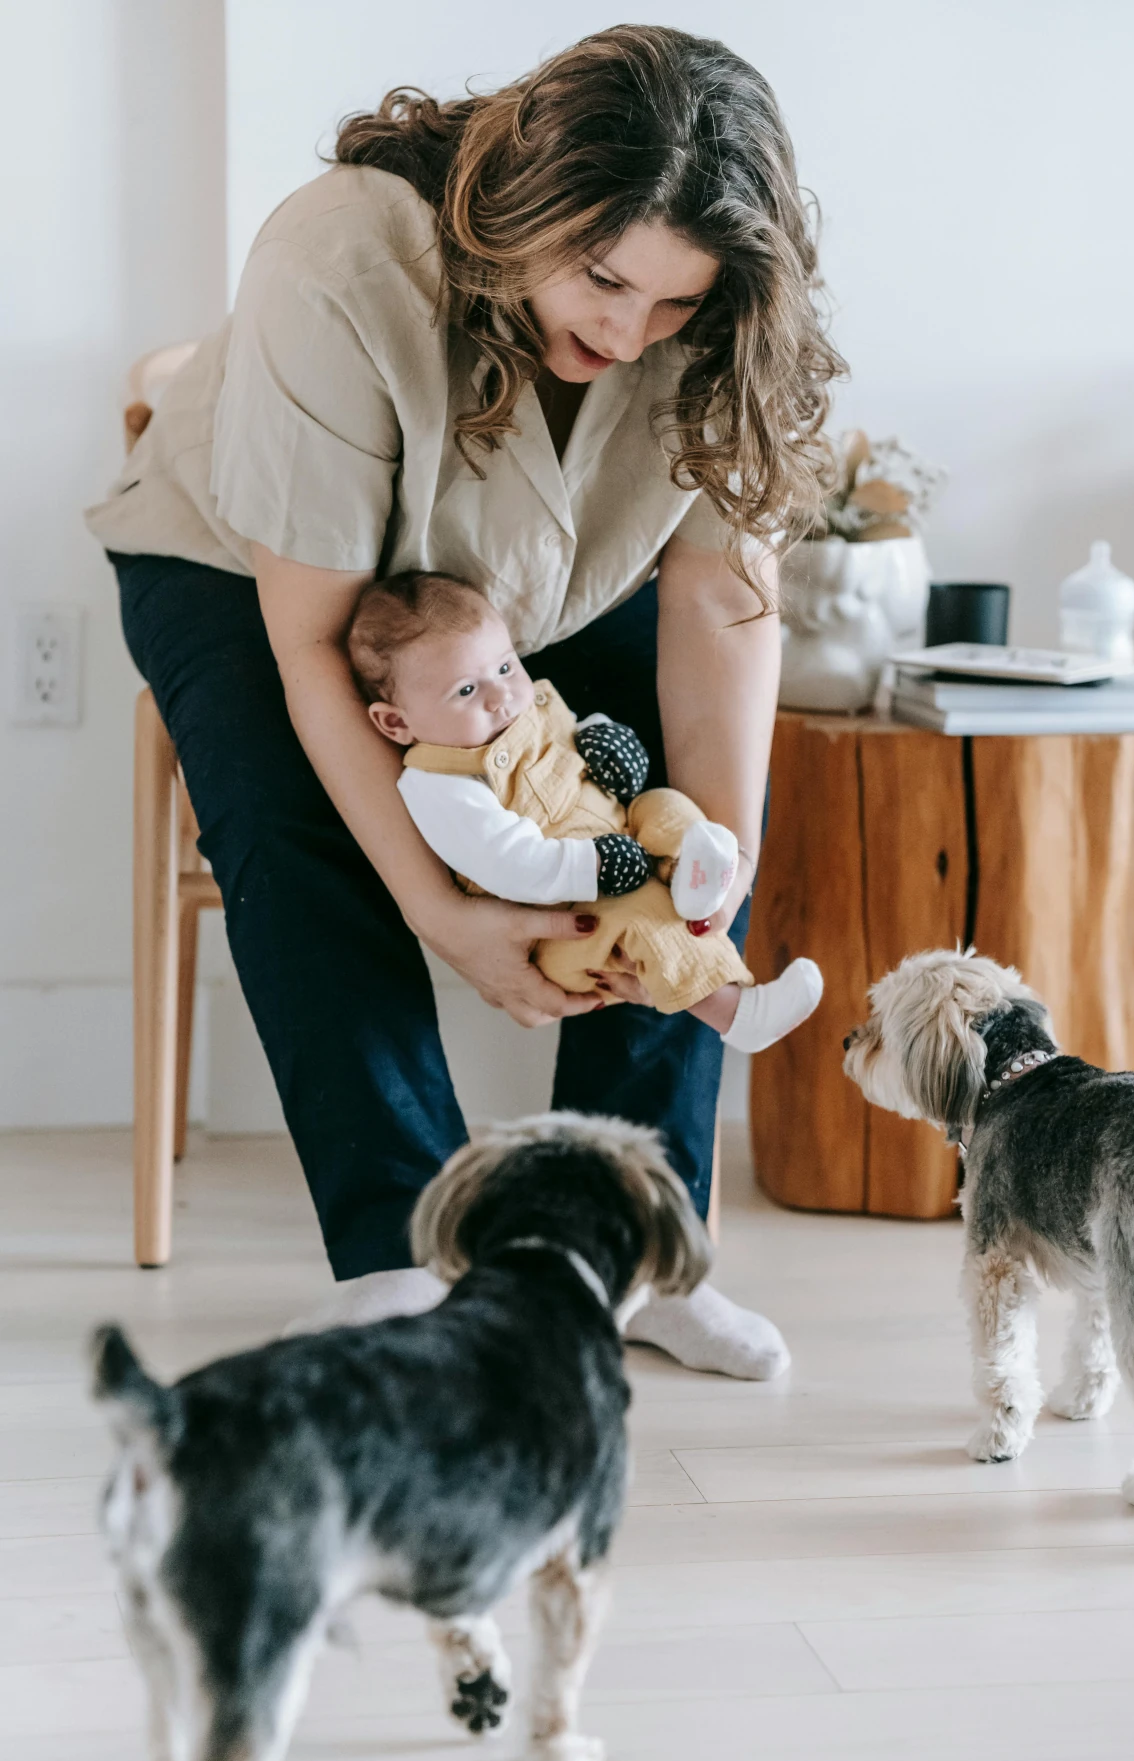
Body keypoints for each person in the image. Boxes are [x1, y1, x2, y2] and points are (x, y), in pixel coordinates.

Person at [87, 25, 844, 1380]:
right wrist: (448, 914)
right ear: (525, 215)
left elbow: (727, 606)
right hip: (251, 570)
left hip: (530, 585)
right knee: (287, 797)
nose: (625, 333)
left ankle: (634, 1245)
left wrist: (704, 881)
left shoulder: (724, 325)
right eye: (603, 279)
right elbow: (316, 644)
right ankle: (404, 1259)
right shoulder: (341, 262)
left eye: (673, 307)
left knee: (664, 787)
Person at [347, 568, 825, 1047]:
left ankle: (693, 877)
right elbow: (510, 862)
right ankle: (739, 1015)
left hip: (619, 837)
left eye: (506, 667)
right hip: (565, 914)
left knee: (666, 804)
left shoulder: (522, 707)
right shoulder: (440, 784)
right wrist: (595, 866)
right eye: (466, 691)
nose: (501, 697)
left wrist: (603, 742)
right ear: (395, 722)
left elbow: (568, 732)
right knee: (644, 916)